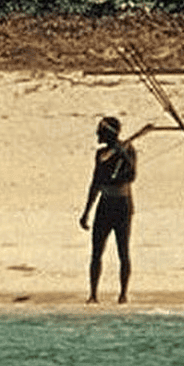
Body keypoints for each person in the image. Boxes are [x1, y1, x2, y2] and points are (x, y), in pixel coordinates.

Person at [80, 117, 136, 304]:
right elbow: (96, 183)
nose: (97, 135)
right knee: (97, 251)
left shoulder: (129, 150)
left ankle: (123, 294)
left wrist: (123, 154)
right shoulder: (101, 154)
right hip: (105, 204)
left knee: (123, 251)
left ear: (109, 134)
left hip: (122, 205)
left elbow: (131, 175)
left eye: (100, 132)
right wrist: (87, 211)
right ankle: (93, 294)